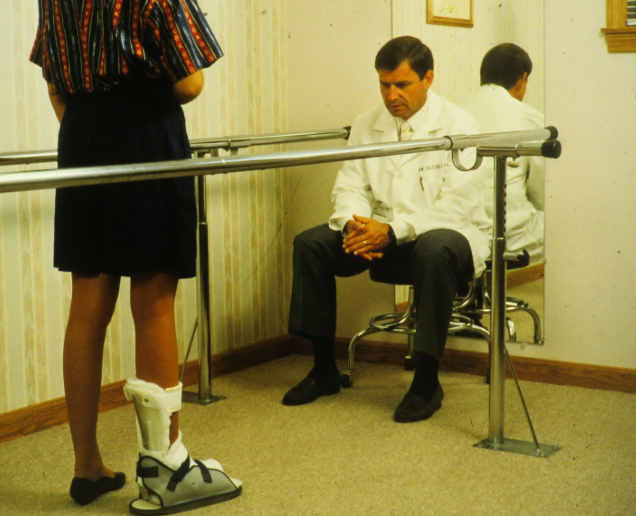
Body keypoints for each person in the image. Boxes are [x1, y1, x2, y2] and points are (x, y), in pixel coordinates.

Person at [29, 1, 241, 513]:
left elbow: (54, 81)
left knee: (88, 303)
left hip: (78, 136)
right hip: (146, 133)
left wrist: (92, 122)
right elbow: (189, 83)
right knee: (153, 301)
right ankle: (166, 466)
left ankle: (87, 466)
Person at [282, 36, 491, 423]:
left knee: (433, 247)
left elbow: (456, 205)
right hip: (379, 233)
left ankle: (427, 382)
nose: (391, 95)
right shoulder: (367, 124)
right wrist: (355, 225)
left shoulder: (460, 124)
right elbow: (349, 187)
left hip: (447, 235)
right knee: (310, 244)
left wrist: (392, 230)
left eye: (402, 84)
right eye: (384, 84)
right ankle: (323, 370)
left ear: (428, 79)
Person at [458, 43, 545, 262]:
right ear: (522, 79)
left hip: (458, 231)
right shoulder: (530, 118)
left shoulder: (454, 110)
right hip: (508, 236)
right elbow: (542, 192)